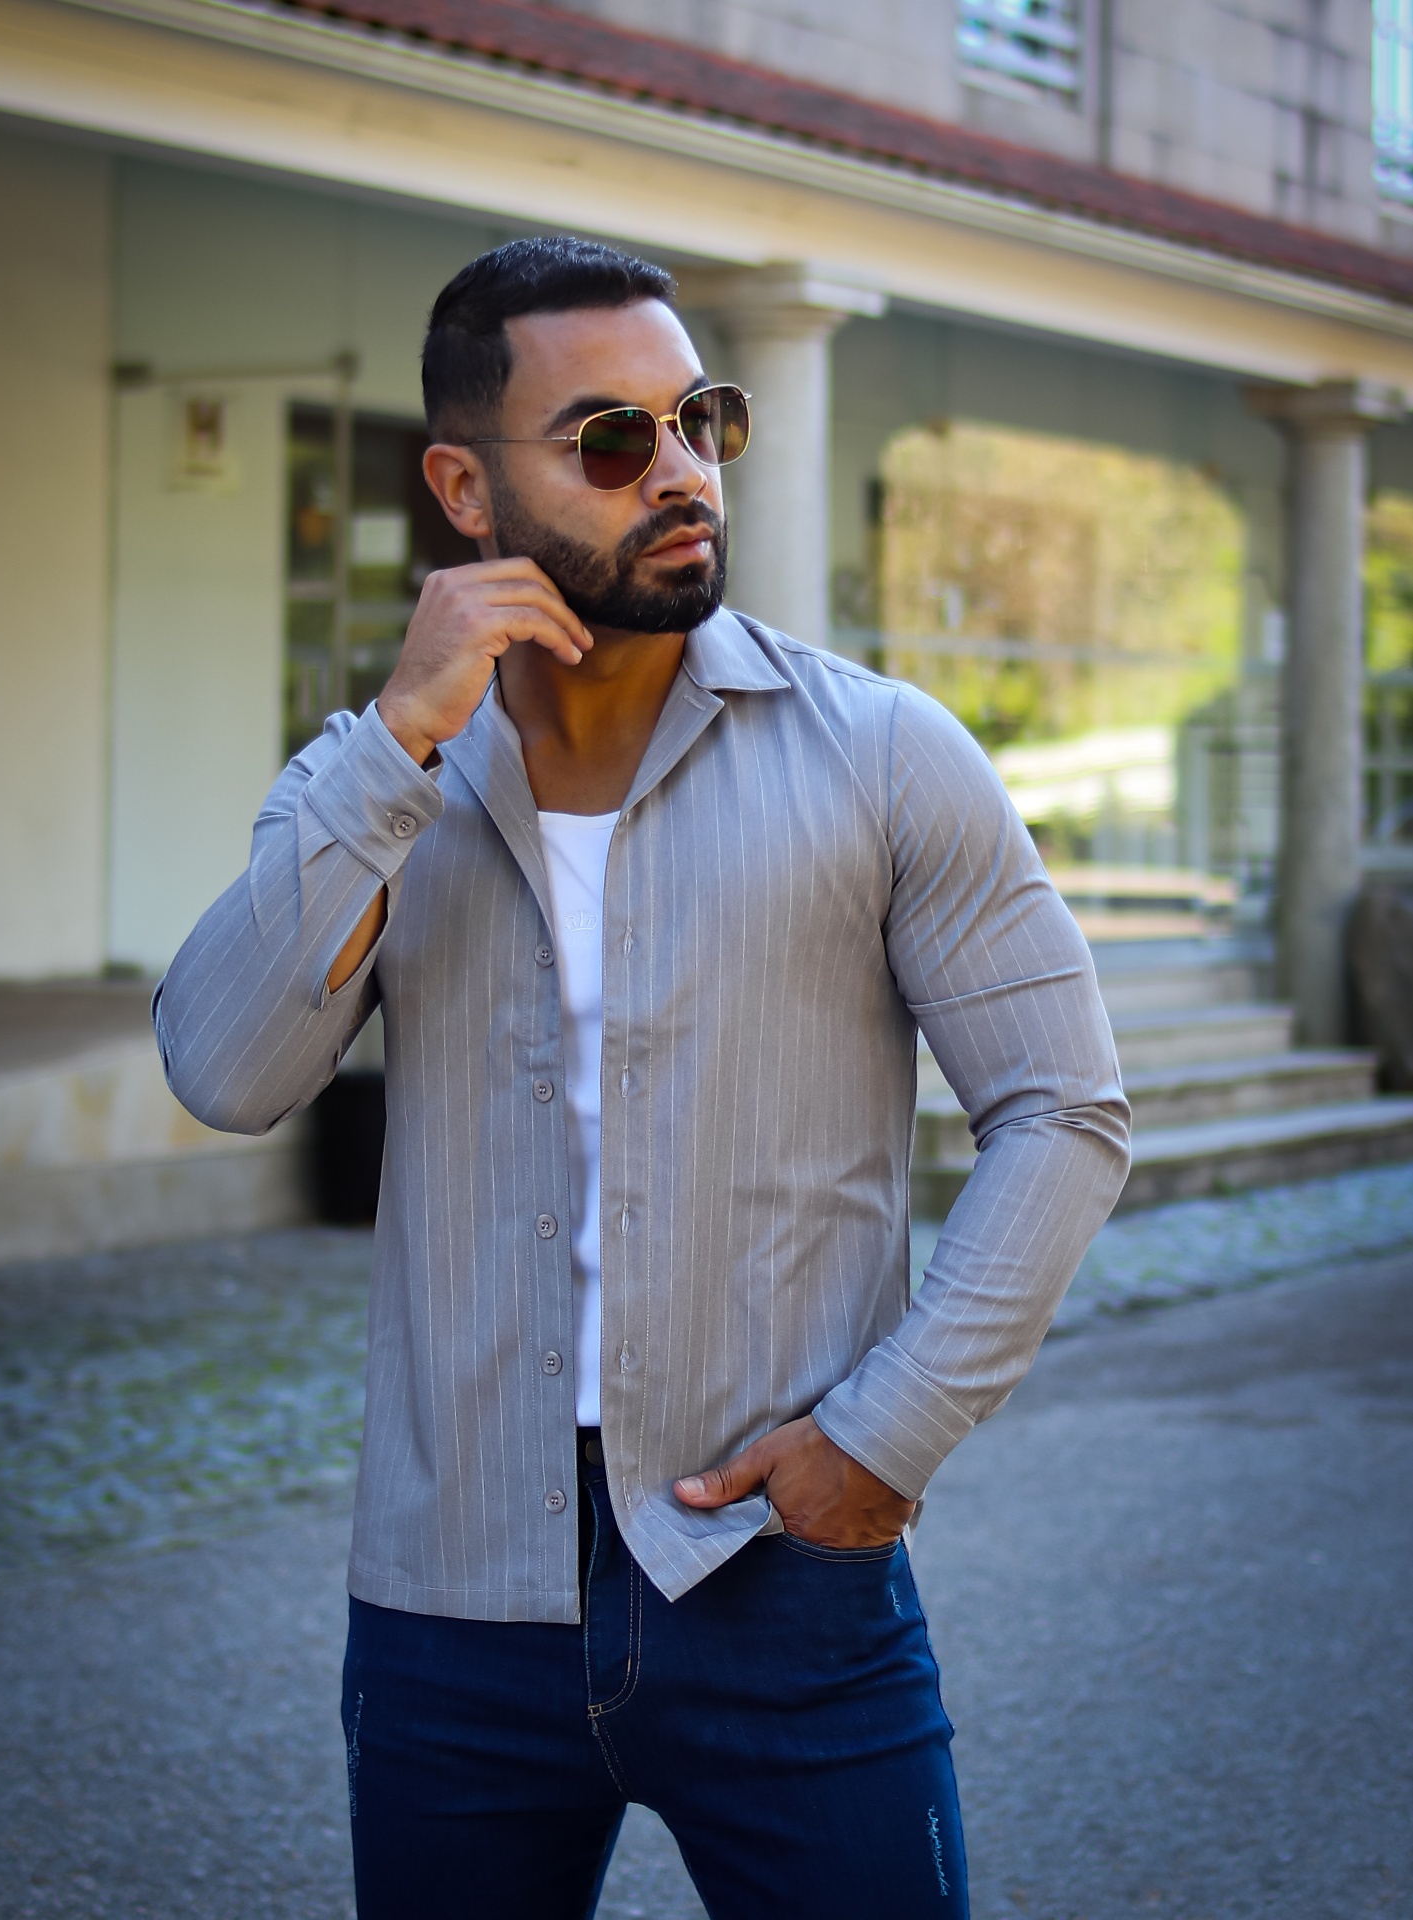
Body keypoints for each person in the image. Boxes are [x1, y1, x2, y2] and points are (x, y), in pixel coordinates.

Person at [154, 235, 1130, 1919]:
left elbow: (1063, 1109)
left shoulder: (883, 756)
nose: (678, 470)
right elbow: (227, 1072)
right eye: (610, 439)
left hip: (780, 1577)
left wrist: (884, 1437)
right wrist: (397, 745)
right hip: (454, 1608)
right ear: (463, 488)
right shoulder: (367, 786)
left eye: (699, 419)